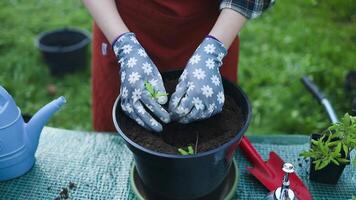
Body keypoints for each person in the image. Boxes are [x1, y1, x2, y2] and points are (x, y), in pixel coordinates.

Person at [82, 0, 275, 132]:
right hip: (119, 27)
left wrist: (213, 50)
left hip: (211, 34)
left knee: (212, 137)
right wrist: (123, 45)